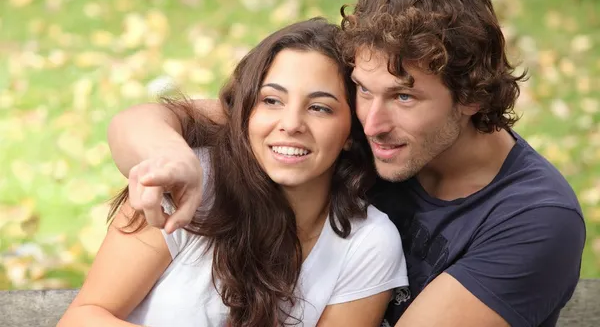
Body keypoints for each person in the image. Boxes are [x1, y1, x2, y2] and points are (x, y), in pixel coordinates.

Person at [102, 0, 586, 327]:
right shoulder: (354, 128)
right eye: (363, 88)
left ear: (472, 98)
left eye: (404, 96)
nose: (372, 121)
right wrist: (173, 158)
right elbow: (154, 120)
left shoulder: (535, 221)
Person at [58, 18, 409, 327]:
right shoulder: (191, 184)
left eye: (319, 108)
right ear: (246, 111)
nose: (290, 124)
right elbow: (84, 317)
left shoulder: (368, 243)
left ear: (351, 131)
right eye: (271, 100)